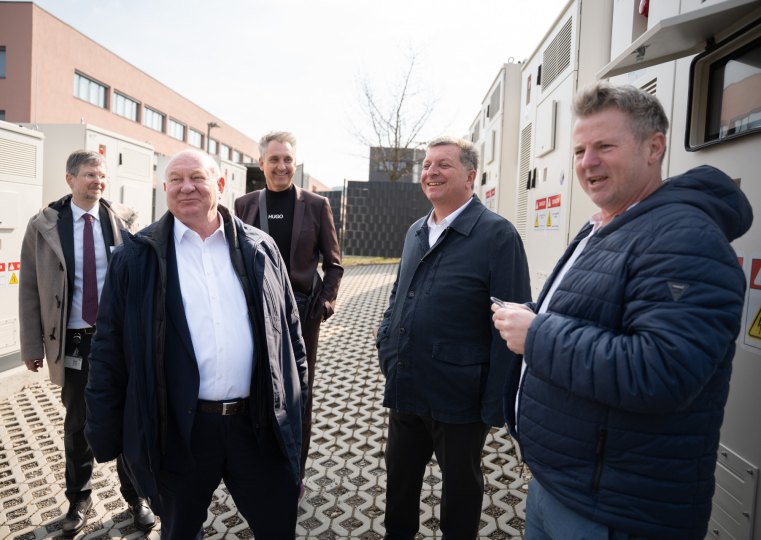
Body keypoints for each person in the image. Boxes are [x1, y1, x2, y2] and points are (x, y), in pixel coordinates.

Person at [492, 82, 753, 540]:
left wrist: (537, 333)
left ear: (654, 148)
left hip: (616, 513)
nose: (587, 162)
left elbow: (664, 371)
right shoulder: (609, 224)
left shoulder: (684, 237)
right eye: (578, 150)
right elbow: (598, 315)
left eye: (604, 146)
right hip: (565, 487)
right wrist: (535, 313)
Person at [84, 149, 308, 539]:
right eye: (176, 179)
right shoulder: (135, 258)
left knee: (277, 527)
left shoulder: (261, 249)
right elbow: (108, 353)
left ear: (220, 185)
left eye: (198, 178)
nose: (186, 187)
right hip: (178, 431)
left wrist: (296, 405)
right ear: (165, 188)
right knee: (180, 531)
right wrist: (105, 432)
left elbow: (290, 336)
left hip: (256, 426)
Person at [376, 136, 531, 539]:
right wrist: (386, 344)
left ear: (470, 175)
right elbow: (398, 294)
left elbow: (511, 326)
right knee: (399, 488)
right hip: (406, 383)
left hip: (460, 396)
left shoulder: (498, 236)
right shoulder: (415, 231)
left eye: (443, 164)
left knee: (461, 493)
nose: (431, 172)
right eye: (427, 165)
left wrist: (496, 402)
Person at [18, 150, 153, 536]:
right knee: (78, 424)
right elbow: (29, 288)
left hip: (118, 340)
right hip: (74, 341)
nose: (98, 181)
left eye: (103, 176)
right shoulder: (44, 226)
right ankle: (78, 500)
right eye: (91, 175)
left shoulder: (125, 220)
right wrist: (31, 346)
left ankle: (137, 497)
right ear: (70, 179)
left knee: (130, 419)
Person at [234, 131, 343, 497]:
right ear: (261, 162)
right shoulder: (244, 205)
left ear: (294, 163)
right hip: (252, 315)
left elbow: (334, 265)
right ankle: (258, 468)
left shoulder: (315, 204)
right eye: (274, 159)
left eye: (287, 159)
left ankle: (293, 473)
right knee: (253, 389)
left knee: (299, 395)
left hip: (301, 315)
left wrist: (323, 306)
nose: (281, 166)